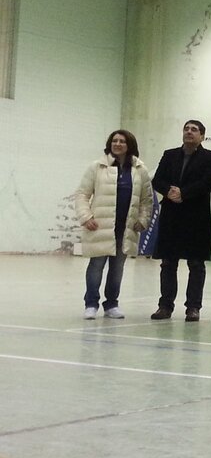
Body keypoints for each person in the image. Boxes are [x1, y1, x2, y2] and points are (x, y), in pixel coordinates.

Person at [74, 129, 153, 319]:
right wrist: (86, 217)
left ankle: (111, 304)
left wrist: (143, 220)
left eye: (122, 141)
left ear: (130, 145)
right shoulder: (97, 167)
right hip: (100, 226)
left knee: (117, 268)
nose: (117, 144)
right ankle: (91, 304)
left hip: (125, 228)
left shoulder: (140, 170)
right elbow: (82, 194)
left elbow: (146, 200)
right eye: (114, 141)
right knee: (96, 266)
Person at [150, 120, 211, 322]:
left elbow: (209, 181)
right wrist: (170, 192)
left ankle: (193, 307)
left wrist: (184, 193)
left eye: (194, 130)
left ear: (202, 136)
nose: (189, 132)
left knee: (196, 264)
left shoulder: (210, 157)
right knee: (168, 263)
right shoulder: (169, 154)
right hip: (171, 216)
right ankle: (165, 306)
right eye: (186, 129)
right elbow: (157, 179)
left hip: (196, 217)